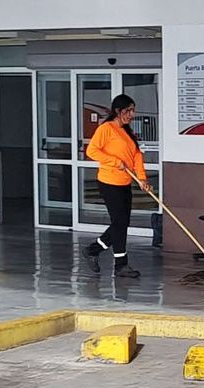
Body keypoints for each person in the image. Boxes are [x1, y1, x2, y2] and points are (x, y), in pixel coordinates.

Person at [82, 94, 150, 278]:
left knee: (122, 223)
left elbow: (137, 155)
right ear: (119, 111)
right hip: (109, 182)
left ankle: (94, 250)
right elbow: (92, 151)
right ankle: (120, 264)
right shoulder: (107, 129)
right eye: (129, 110)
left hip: (125, 183)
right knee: (120, 223)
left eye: (133, 110)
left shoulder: (126, 131)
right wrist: (114, 161)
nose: (132, 114)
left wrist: (142, 178)